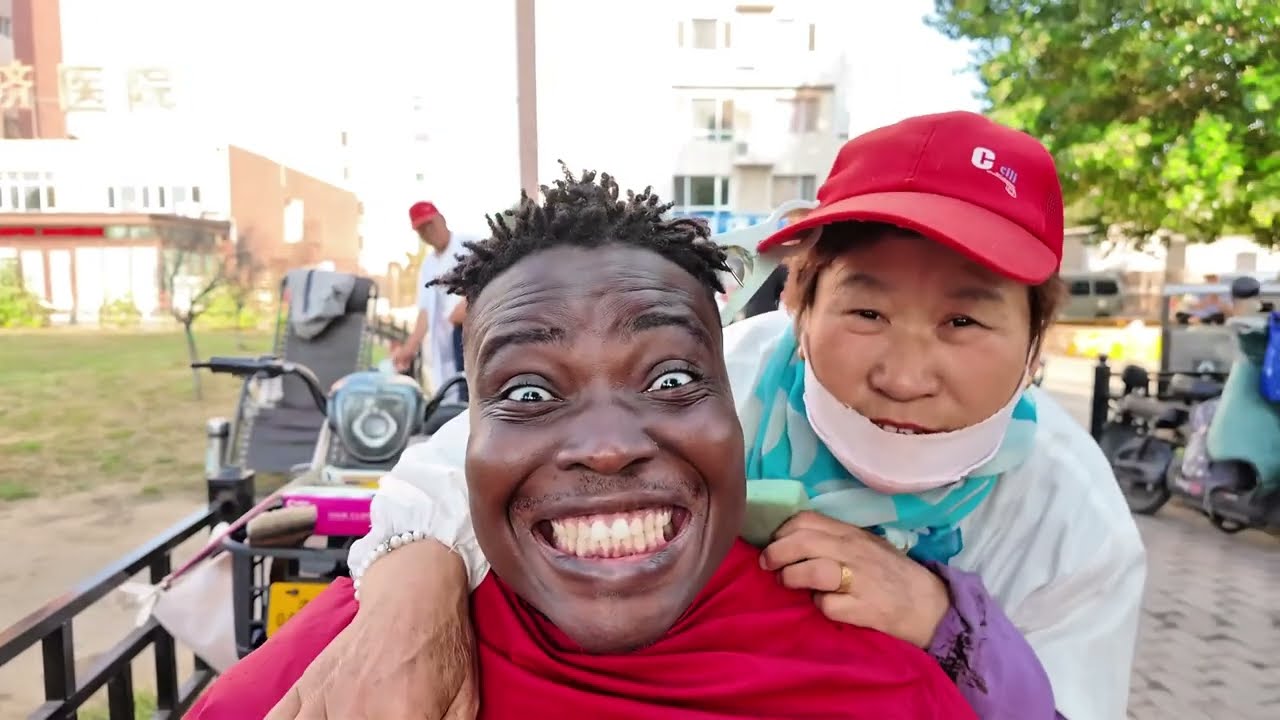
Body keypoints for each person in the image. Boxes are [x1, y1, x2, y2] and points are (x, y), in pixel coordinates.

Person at [275, 113, 1145, 720]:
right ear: (798, 304)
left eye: (964, 322)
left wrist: (948, 625)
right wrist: (413, 601)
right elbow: (462, 461)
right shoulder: (716, 377)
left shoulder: (1073, 520)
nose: (905, 376)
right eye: (866, 311)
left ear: (1037, 341)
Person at [188, 169, 980, 720]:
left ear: (732, 407)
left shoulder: (882, 691)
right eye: (529, 393)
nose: (606, 447)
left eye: (672, 378)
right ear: (468, 436)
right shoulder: (356, 675)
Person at [392, 202, 470, 400]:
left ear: (441, 219)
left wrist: (470, 304)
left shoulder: (470, 244)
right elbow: (425, 311)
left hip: (470, 334)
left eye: (430, 225)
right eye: (421, 230)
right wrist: (409, 348)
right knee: (455, 400)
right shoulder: (428, 265)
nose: (428, 232)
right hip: (446, 348)